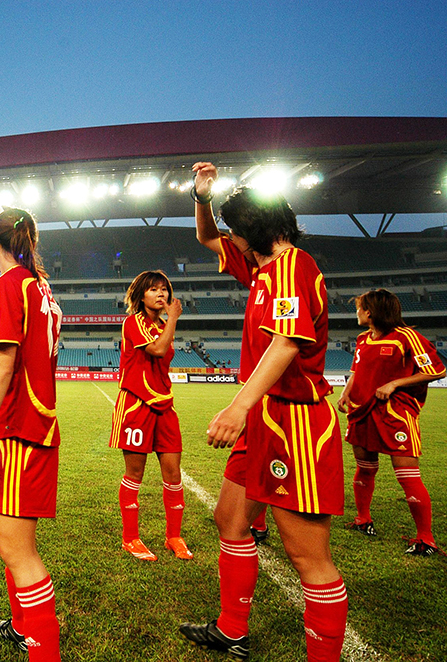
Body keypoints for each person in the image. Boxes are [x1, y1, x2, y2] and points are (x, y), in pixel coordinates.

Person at [179, 163, 347, 661]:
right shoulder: (262, 267)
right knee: (231, 521)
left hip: (295, 425)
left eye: (237, 231)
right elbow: (207, 237)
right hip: (264, 420)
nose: (231, 240)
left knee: (307, 555)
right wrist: (202, 197)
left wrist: (238, 406)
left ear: (256, 231)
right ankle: (232, 630)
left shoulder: (293, 266)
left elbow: (287, 342)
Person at [0, 208, 62, 660]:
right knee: (16, 546)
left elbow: (3, 363)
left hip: (17, 429)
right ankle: (23, 626)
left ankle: (44, 652)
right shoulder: (41, 287)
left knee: (18, 553)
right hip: (38, 426)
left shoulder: (10, 283)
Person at [337, 289, 445, 555]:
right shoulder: (362, 339)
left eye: (359, 307)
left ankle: (426, 539)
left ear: (370, 312)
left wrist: (395, 383)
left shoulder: (407, 337)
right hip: (362, 411)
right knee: (365, 468)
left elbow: (437, 370)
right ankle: (363, 520)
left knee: (407, 475)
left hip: (395, 413)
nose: (357, 312)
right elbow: (356, 371)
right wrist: (346, 392)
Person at [112, 270, 191, 561]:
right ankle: (130, 538)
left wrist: (169, 322)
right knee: (135, 474)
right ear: (141, 295)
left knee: (173, 474)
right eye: (154, 289)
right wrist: (174, 319)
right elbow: (157, 350)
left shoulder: (162, 325)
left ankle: (174, 537)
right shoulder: (133, 322)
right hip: (136, 405)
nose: (161, 294)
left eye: (164, 289)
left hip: (164, 406)